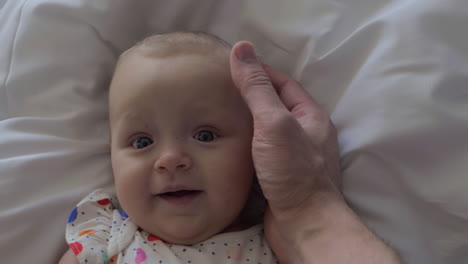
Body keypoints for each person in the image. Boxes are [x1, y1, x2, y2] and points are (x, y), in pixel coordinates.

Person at [59, 32, 274, 264]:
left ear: (254, 143)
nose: (170, 159)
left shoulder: (287, 241)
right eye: (142, 142)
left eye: (205, 135)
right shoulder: (104, 240)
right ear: (112, 156)